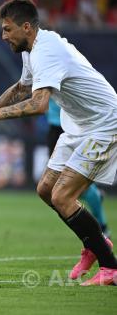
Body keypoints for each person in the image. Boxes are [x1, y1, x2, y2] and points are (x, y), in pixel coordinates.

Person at [0, 0, 117, 286]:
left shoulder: (47, 52)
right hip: (78, 125)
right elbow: (21, 88)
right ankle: (96, 242)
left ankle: (111, 268)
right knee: (45, 190)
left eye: (7, 30)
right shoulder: (31, 49)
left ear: (26, 27)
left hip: (105, 124)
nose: (3, 36)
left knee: (62, 197)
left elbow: (39, 105)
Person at [47, 98, 111, 238]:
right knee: (54, 185)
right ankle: (95, 197)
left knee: (75, 185)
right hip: (55, 127)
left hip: (75, 128)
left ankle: (102, 228)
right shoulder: (40, 79)